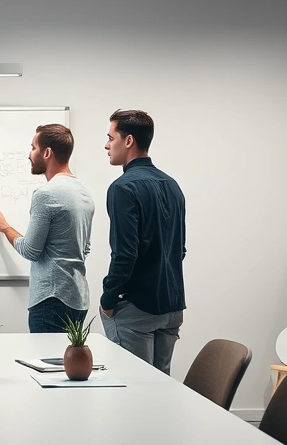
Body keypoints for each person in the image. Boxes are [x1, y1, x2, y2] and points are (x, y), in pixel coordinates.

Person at [0, 124, 95, 333]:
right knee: (64, 365)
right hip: (78, 298)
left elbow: (30, 250)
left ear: (47, 152)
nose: (29, 154)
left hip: (51, 300)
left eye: (33, 147)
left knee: (46, 362)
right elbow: (85, 249)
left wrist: (5, 227)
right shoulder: (85, 194)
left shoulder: (46, 194)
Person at [99, 109, 186, 375]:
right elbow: (178, 250)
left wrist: (108, 298)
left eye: (110, 137)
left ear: (128, 141)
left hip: (136, 309)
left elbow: (125, 254)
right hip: (171, 307)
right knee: (161, 391)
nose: (106, 145)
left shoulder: (122, 188)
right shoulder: (172, 185)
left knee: (133, 392)